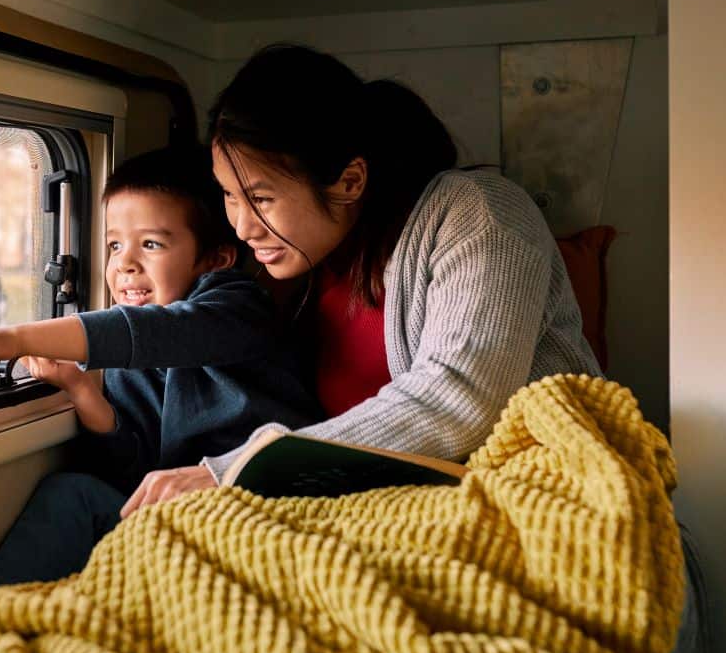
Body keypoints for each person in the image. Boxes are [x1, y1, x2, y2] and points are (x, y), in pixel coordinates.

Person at [117, 43, 601, 516]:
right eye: (229, 195)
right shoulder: (300, 271)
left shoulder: (480, 213)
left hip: (533, 492)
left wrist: (233, 471)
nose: (242, 227)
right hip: (385, 506)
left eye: (261, 199)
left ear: (350, 182)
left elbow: (460, 398)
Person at [0, 144, 322, 601]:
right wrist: (83, 391)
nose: (125, 263)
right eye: (114, 245)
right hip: (177, 521)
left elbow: (164, 332)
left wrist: (18, 337)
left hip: (260, 509)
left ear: (215, 259)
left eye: (151, 244)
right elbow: (139, 468)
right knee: (73, 495)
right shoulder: (133, 354)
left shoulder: (237, 309)